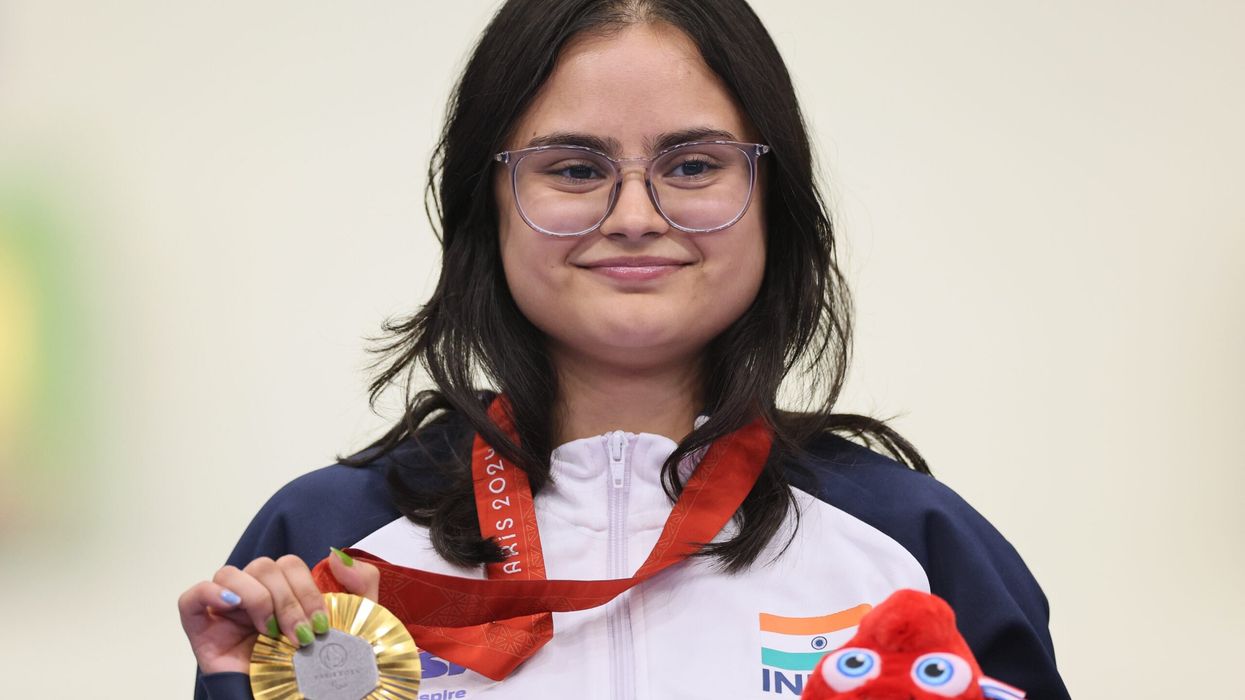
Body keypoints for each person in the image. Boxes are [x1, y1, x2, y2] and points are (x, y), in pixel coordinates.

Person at [178, 1, 1071, 698]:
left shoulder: (915, 546)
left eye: (691, 165)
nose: (636, 217)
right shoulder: (327, 545)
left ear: (774, 198)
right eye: (573, 168)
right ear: (485, 206)